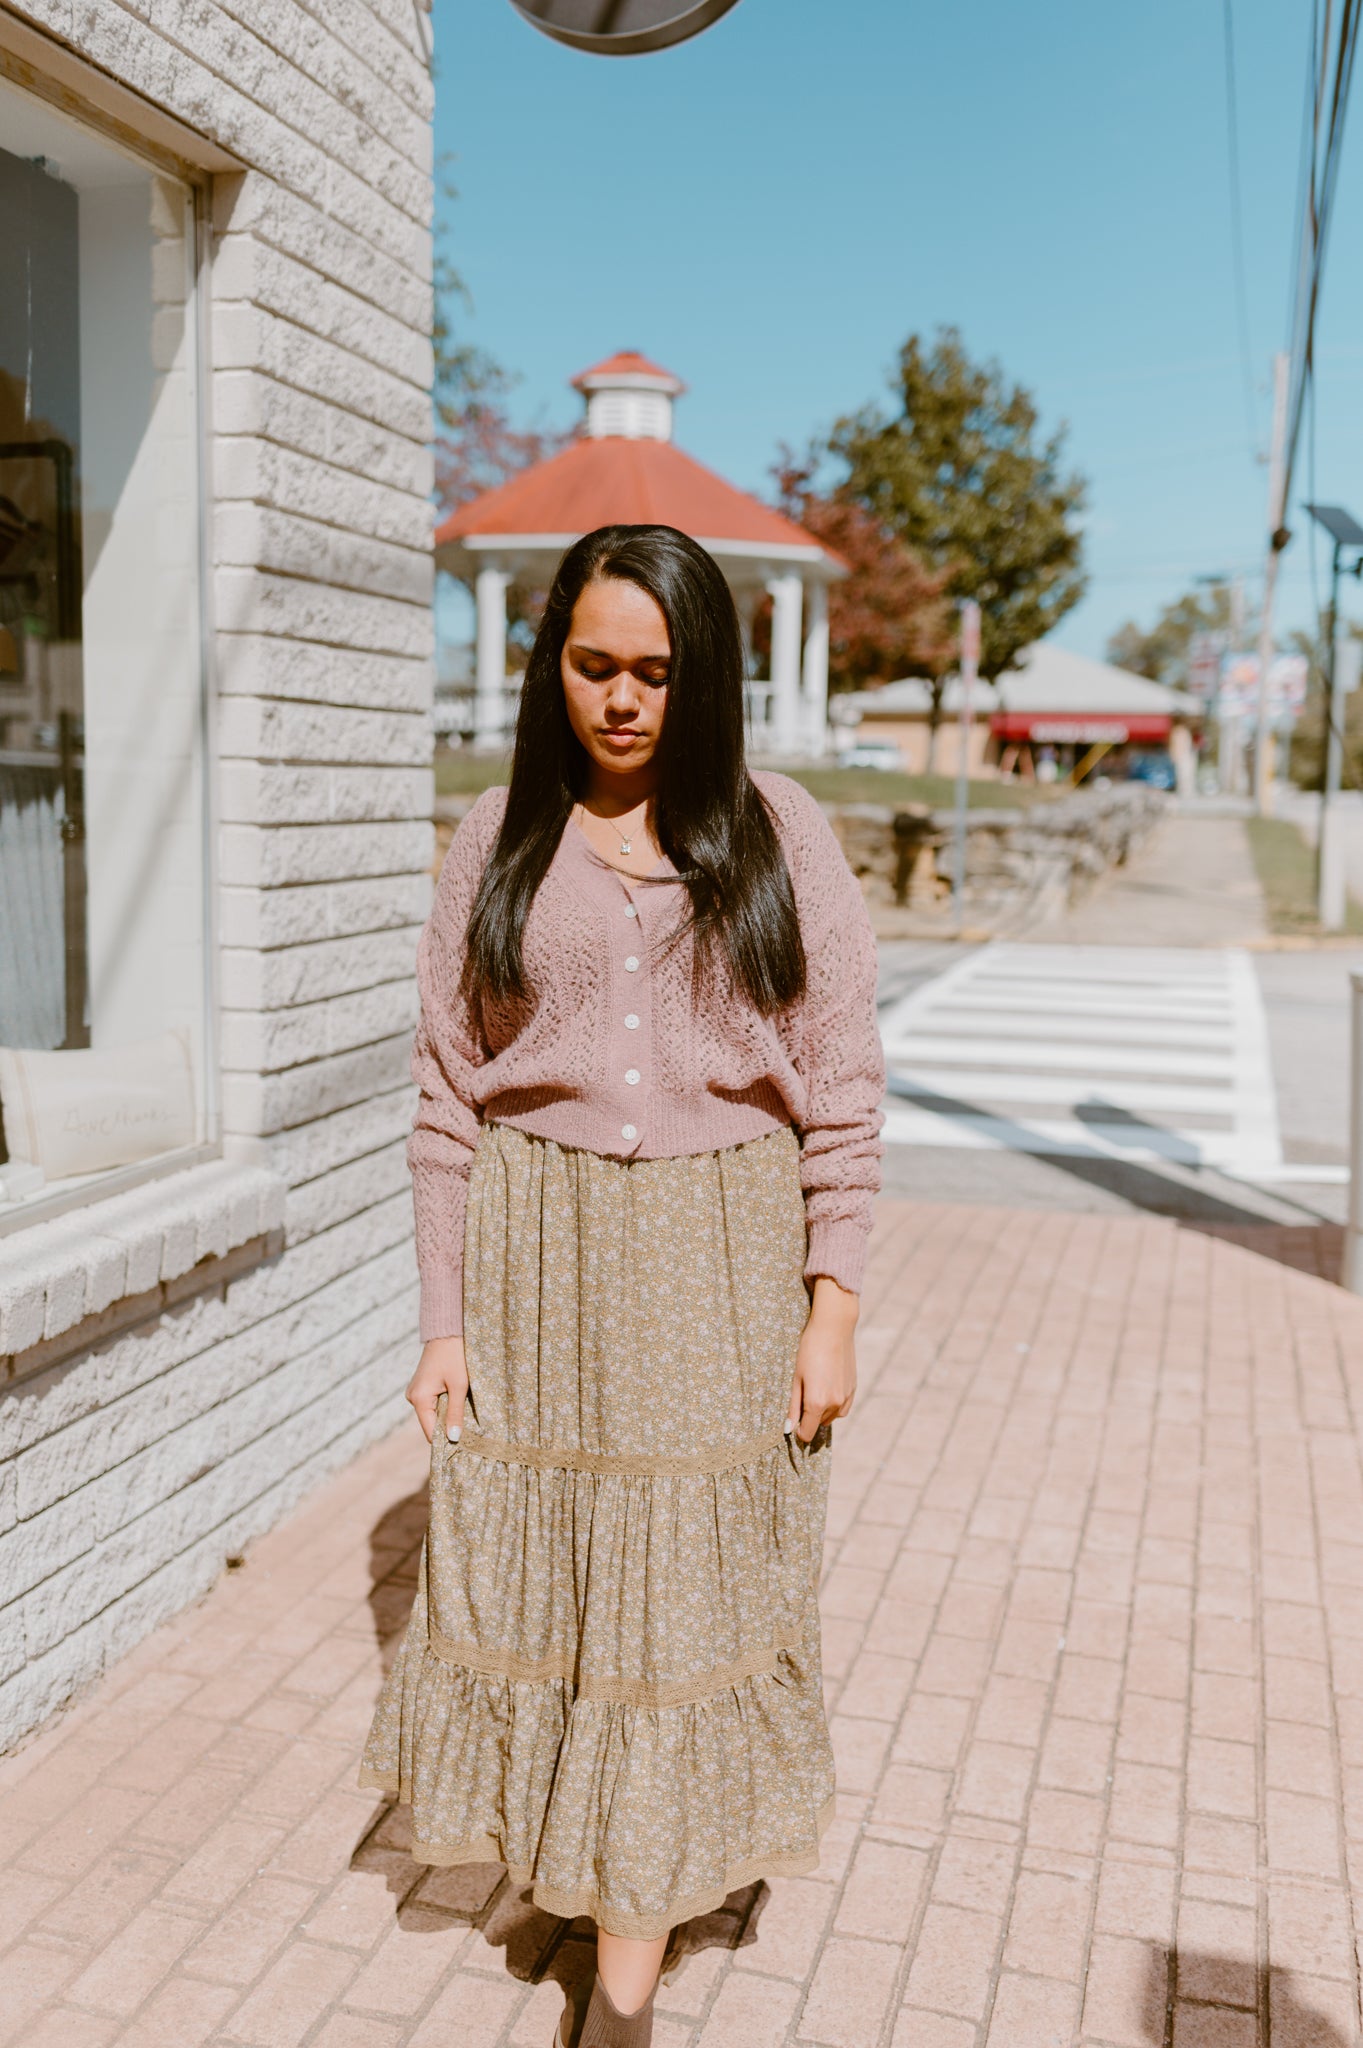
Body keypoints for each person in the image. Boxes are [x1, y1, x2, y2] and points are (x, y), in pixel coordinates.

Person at [360, 523, 884, 2048]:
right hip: (534, 1260)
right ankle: (587, 1869)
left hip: (715, 1265)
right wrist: (443, 1319)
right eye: (594, 664)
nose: (625, 699)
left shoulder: (780, 832)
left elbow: (842, 1085)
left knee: (669, 1604)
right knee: (562, 1589)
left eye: (658, 670)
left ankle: (628, 1988)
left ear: (704, 674)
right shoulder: (499, 834)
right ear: (553, 666)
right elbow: (445, 1097)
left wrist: (832, 1296)